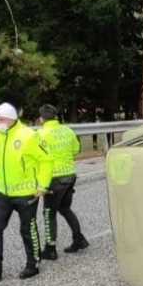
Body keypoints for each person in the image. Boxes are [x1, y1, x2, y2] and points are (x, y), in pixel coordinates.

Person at [0, 103, 53, 285]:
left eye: (1, 119)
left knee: (27, 229)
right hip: (1, 192)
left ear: (11, 119)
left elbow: (46, 160)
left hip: (26, 193)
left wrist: (42, 185)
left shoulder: (29, 135)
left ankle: (33, 264)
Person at [37, 104, 88, 259]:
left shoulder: (40, 134)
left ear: (42, 119)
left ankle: (50, 249)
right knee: (65, 209)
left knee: (49, 213)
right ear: (55, 117)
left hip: (54, 178)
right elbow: (76, 150)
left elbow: (37, 156)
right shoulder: (68, 130)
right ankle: (79, 239)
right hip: (70, 176)